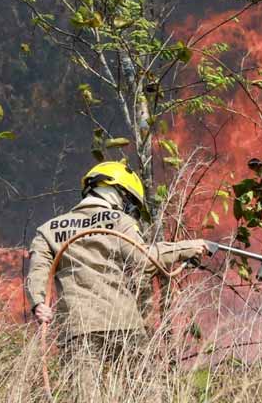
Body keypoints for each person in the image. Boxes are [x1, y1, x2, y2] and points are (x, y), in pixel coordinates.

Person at [25, 160, 208, 382]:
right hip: (123, 323)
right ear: (117, 192)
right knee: (145, 391)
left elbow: (37, 271)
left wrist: (38, 303)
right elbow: (144, 260)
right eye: (129, 201)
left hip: (78, 327)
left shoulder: (49, 229)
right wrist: (185, 248)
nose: (127, 207)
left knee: (85, 397)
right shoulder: (120, 220)